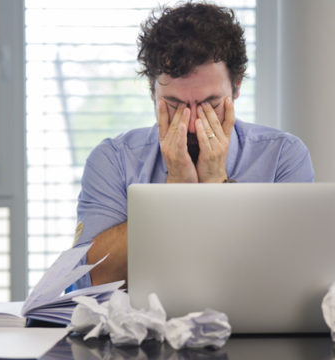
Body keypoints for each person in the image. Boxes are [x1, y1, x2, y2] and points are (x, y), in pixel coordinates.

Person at [72, 2, 314, 290]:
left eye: (210, 105)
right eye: (174, 105)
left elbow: (292, 276)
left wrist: (215, 185)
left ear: (236, 87)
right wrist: (175, 192)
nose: (190, 125)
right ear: (153, 90)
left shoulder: (282, 156)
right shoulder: (113, 159)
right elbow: (93, 278)